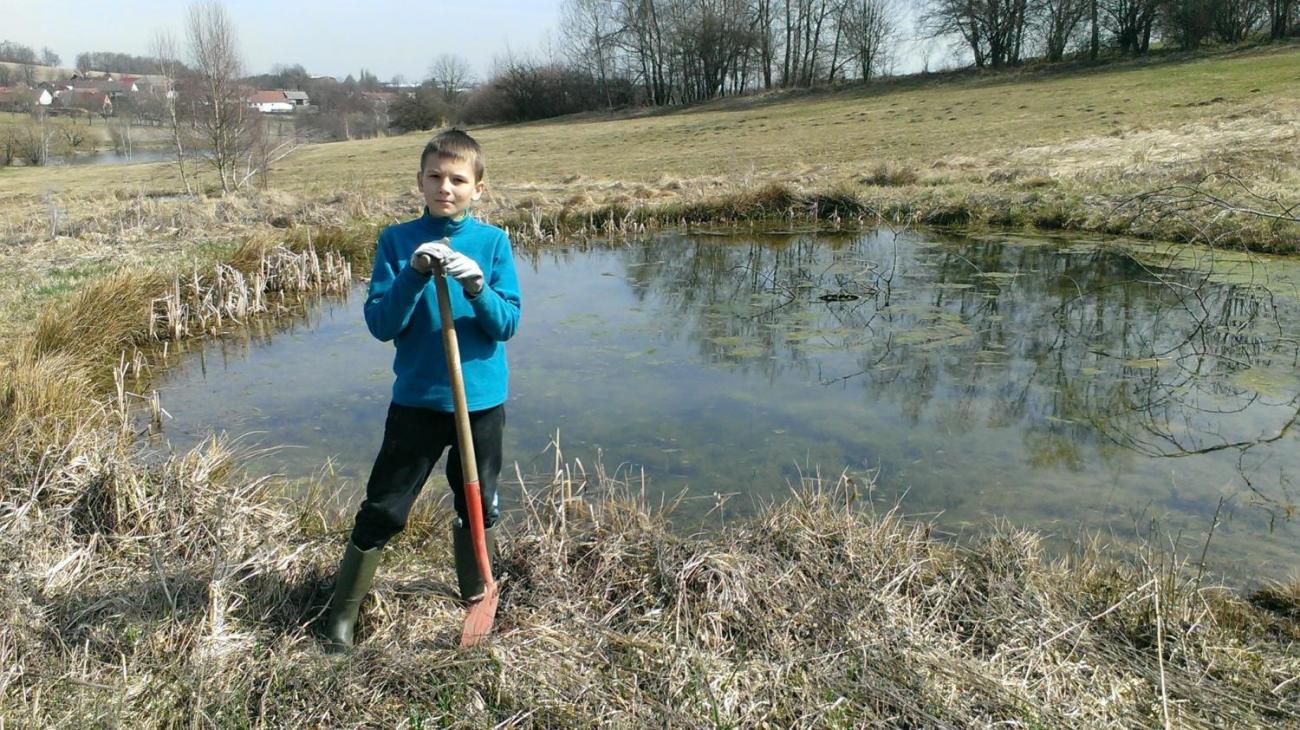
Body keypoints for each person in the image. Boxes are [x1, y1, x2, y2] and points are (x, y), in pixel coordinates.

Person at [323, 129, 522, 652]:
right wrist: (413, 273)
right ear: (420, 181)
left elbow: (506, 326)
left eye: (458, 179)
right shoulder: (396, 240)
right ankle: (341, 616)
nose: (446, 187)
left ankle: (475, 596)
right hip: (417, 400)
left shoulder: (494, 243)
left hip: (480, 403)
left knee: (480, 504)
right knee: (385, 507)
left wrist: (477, 287)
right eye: (435, 176)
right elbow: (382, 324)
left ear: (479, 188)